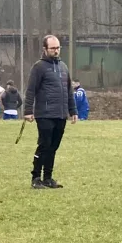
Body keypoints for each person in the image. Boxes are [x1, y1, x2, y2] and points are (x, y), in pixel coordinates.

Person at [24, 35, 78, 189]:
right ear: (45, 49)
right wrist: (28, 110)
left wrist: (72, 110)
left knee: (53, 146)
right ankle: (36, 177)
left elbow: (69, 91)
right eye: (53, 48)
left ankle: (48, 178)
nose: (56, 51)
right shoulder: (39, 67)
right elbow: (30, 90)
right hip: (45, 114)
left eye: (58, 48)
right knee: (44, 145)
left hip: (60, 115)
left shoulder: (63, 67)